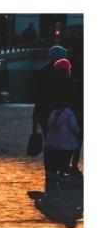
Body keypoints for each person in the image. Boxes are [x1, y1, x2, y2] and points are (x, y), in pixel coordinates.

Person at [43, 59, 80, 191]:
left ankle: (50, 170)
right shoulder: (71, 83)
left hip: (50, 114)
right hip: (66, 117)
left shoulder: (47, 81)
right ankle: (63, 169)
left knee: (50, 145)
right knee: (65, 148)